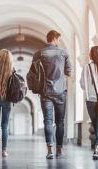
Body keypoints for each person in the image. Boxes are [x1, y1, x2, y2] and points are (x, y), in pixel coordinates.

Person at [32, 30, 72, 159]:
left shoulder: (39, 53)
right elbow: (69, 72)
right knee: (60, 122)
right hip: (60, 92)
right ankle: (59, 150)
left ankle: (49, 150)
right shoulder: (63, 53)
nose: (59, 42)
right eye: (58, 40)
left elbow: (34, 73)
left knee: (47, 121)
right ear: (55, 38)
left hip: (45, 92)